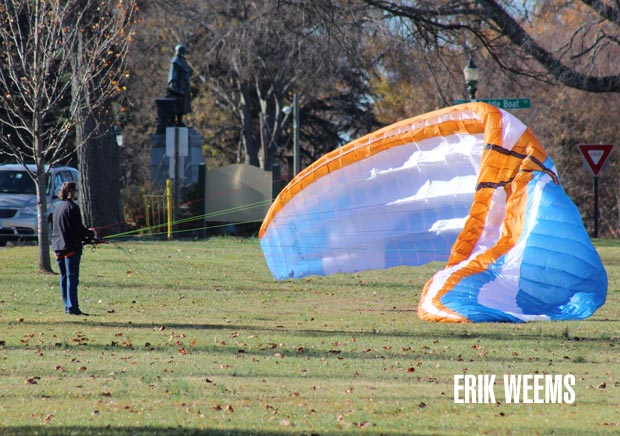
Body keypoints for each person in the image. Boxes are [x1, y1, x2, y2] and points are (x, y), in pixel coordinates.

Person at [51, 181, 95, 316]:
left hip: (58, 247)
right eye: (76, 191)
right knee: (72, 278)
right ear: (72, 192)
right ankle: (73, 308)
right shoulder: (73, 207)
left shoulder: (57, 208)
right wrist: (90, 233)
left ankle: (67, 306)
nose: (77, 193)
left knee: (64, 277)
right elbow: (77, 229)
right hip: (71, 248)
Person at [166, 44, 192, 126]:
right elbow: (172, 75)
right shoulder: (175, 61)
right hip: (178, 87)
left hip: (184, 87)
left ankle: (180, 120)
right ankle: (174, 119)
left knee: (183, 104)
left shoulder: (183, 61)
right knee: (177, 104)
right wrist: (174, 87)